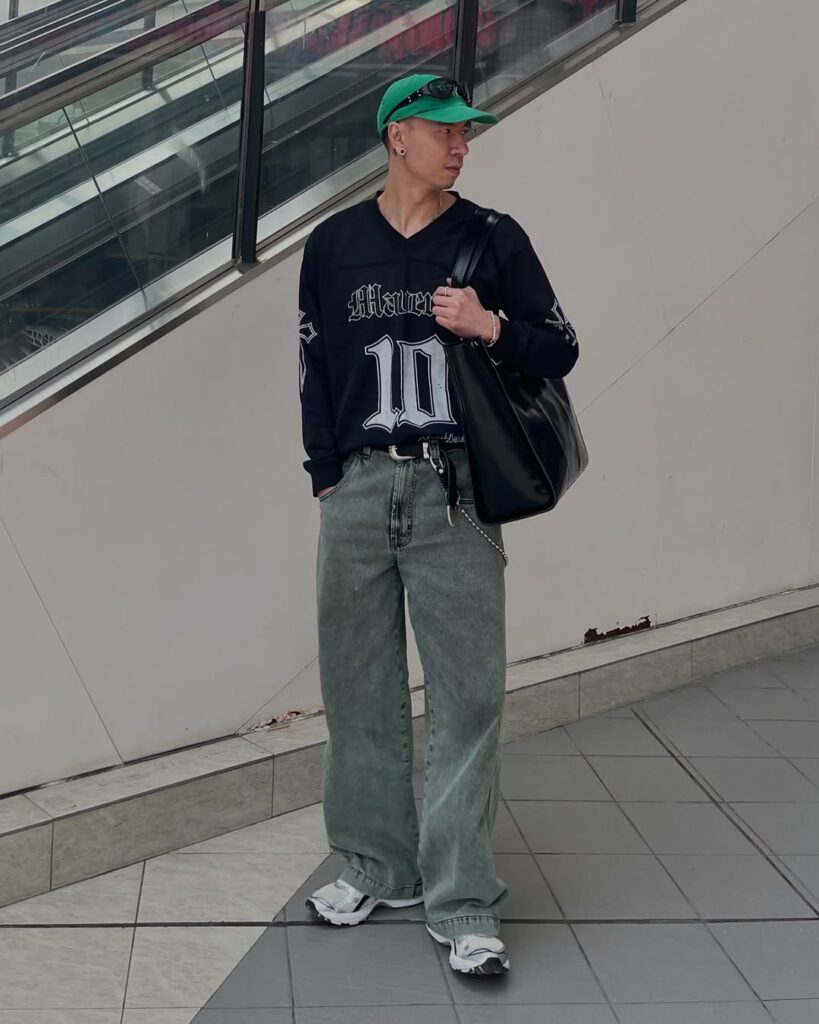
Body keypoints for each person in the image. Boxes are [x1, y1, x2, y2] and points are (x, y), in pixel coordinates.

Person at [298, 72, 579, 977]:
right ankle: (380, 864)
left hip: (451, 491)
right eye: (442, 130)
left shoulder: (492, 239)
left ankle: (461, 900)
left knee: (468, 697)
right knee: (358, 689)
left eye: (467, 133)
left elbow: (559, 345)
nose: (461, 145)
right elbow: (311, 366)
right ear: (395, 138)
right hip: (356, 490)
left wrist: (490, 326)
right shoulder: (332, 245)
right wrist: (325, 478)